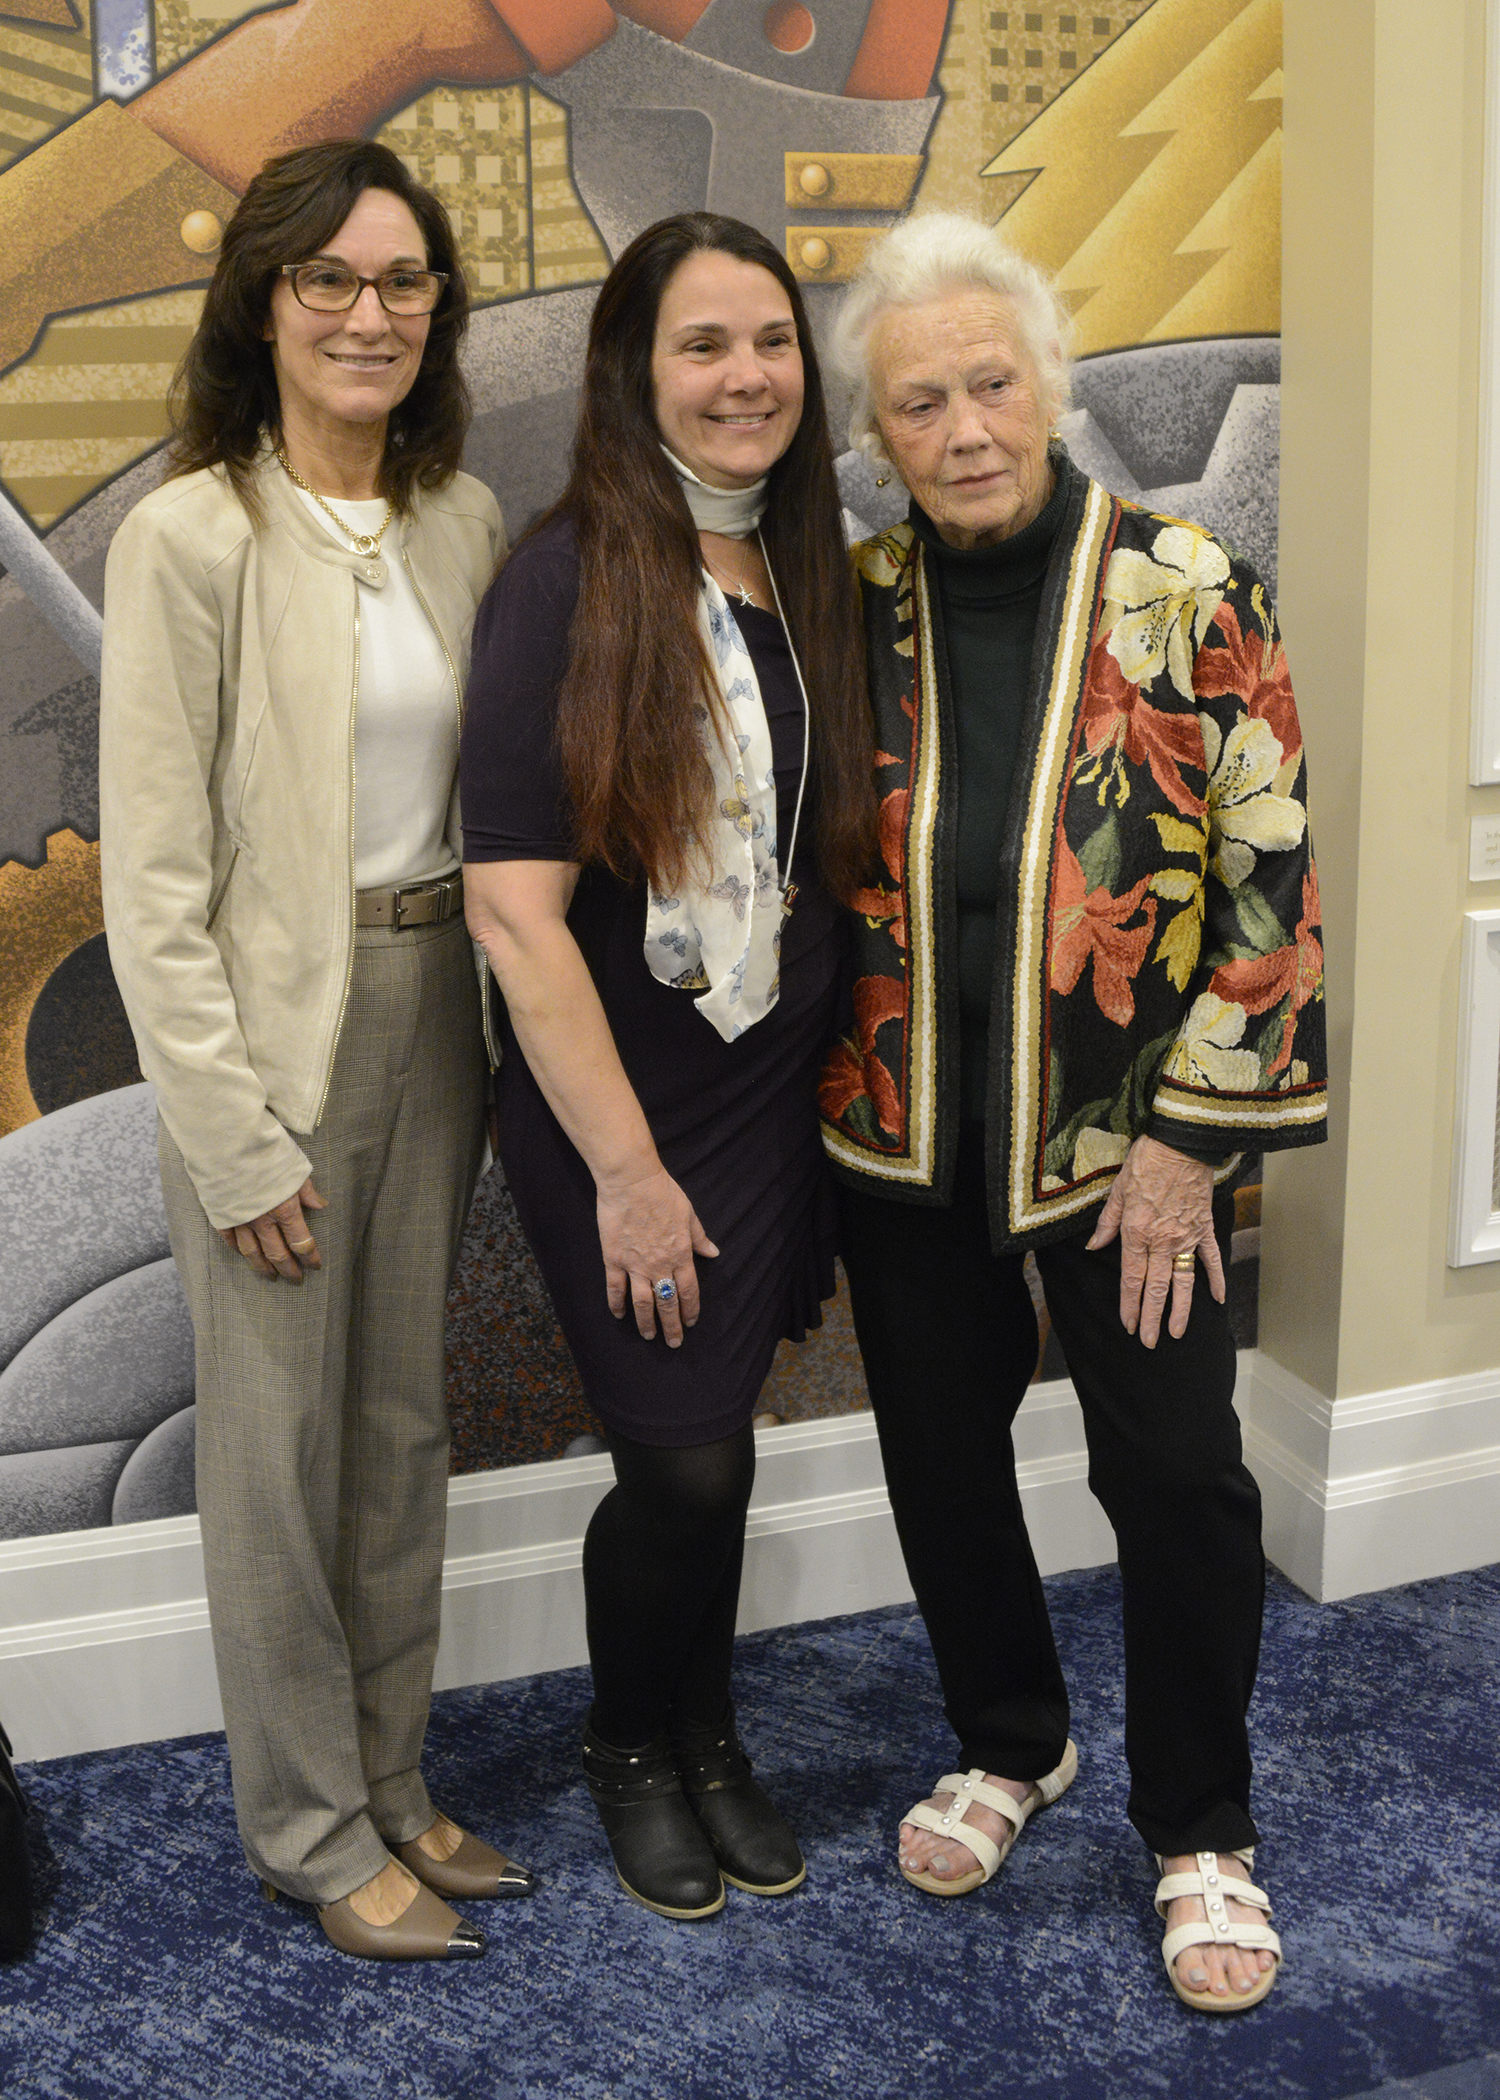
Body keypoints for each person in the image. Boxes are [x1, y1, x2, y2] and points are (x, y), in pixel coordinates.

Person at [819, 211, 1327, 2013]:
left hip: (1134, 1143)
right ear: (878, 436)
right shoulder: (848, 604)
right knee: (944, 1462)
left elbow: (1269, 869)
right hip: (902, 1131)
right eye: (918, 403)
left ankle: (1203, 1830)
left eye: (990, 382)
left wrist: (1196, 1142)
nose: (963, 426)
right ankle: (1011, 1737)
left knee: (1175, 1474)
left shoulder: (1188, 581)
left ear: (1050, 380)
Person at [99, 139, 533, 1961]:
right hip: (277, 1037)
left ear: (438, 312)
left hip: (445, 1006)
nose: (371, 315)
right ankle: (304, 1822)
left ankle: (391, 1766)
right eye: (329, 282)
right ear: (263, 305)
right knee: (273, 1450)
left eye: (404, 282)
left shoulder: (463, 519)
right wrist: (235, 1133)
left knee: (397, 1421)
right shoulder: (189, 533)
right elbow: (154, 877)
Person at [461, 211, 875, 1920]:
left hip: (774, 1089)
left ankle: (709, 1733)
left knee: (728, 1441)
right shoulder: (564, 579)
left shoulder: (814, 565)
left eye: (770, 341)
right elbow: (511, 916)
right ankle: (631, 1742)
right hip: (616, 1099)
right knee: (683, 1454)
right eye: (703, 346)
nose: (745, 377)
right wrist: (629, 1173)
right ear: (633, 374)